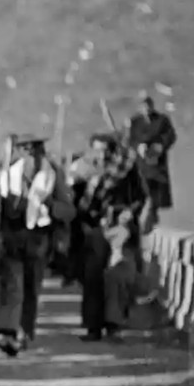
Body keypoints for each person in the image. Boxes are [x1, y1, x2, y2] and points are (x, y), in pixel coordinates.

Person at [0, 132, 75, 355]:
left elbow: (68, 210)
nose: (32, 155)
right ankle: (6, 330)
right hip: (11, 237)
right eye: (27, 149)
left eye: (36, 150)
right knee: (9, 285)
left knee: (30, 288)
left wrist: (50, 205)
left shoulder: (53, 175)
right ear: (19, 151)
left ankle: (24, 331)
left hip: (38, 240)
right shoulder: (6, 172)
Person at [74, 133, 151, 341]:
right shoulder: (86, 170)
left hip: (120, 228)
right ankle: (93, 327)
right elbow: (79, 201)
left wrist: (129, 212)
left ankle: (113, 325)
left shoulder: (127, 169)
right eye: (97, 149)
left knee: (117, 276)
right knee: (92, 277)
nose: (101, 154)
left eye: (105, 150)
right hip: (96, 228)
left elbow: (141, 197)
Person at [127, 92, 176, 215]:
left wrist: (161, 146)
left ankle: (155, 213)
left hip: (157, 163)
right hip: (142, 163)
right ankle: (144, 213)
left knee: (158, 189)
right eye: (143, 106)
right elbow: (131, 140)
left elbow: (170, 136)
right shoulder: (135, 122)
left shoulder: (162, 120)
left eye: (148, 105)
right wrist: (138, 146)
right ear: (139, 107)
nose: (146, 108)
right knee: (143, 189)